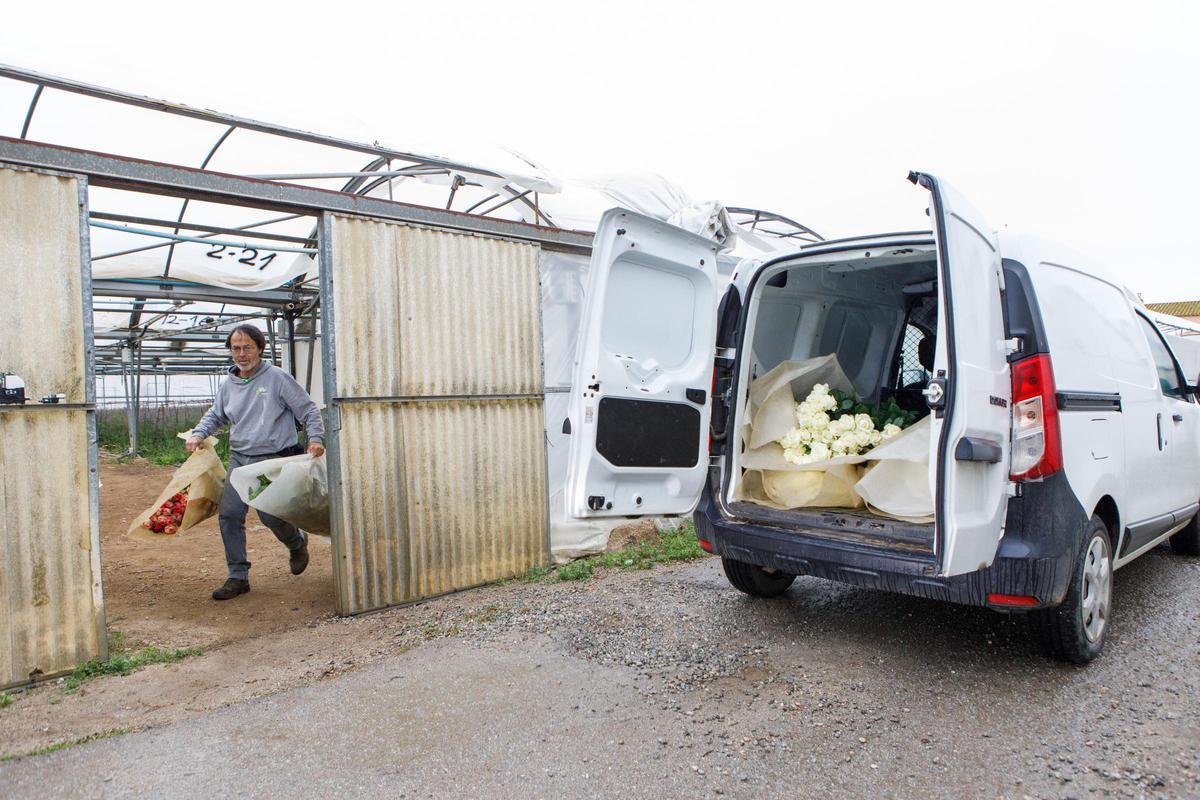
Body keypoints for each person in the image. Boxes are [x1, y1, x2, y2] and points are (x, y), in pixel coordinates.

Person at [187, 324, 325, 601]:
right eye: (236, 348)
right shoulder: (229, 384)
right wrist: (199, 433)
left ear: (260, 348)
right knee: (229, 515)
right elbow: (216, 415)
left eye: (247, 347)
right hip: (241, 458)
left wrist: (316, 437)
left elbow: (308, 409)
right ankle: (237, 577)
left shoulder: (276, 378)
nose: (241, 353)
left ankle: (296, 543)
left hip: (272, 460)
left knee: (269, 514)